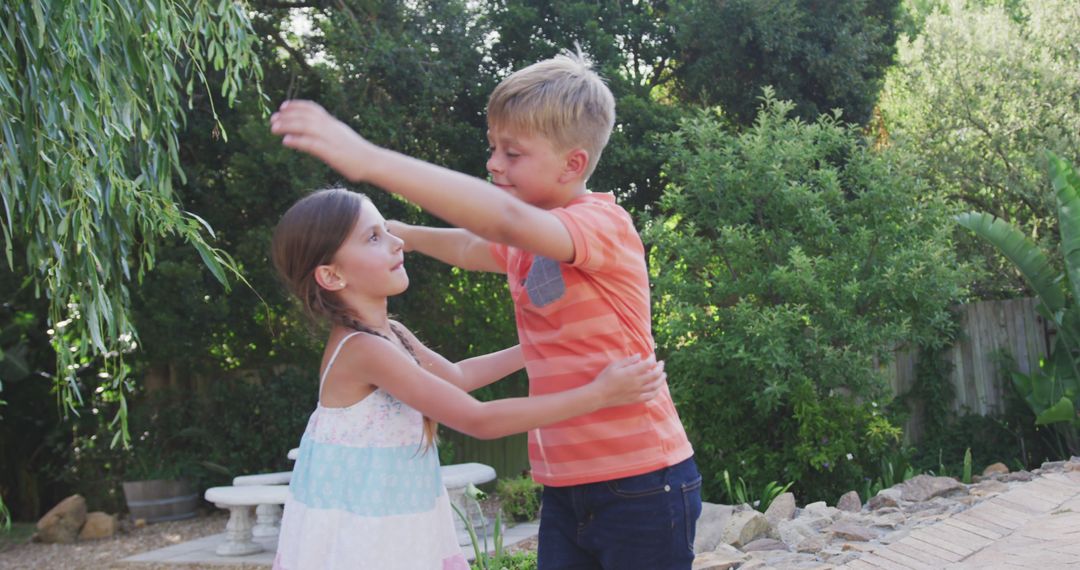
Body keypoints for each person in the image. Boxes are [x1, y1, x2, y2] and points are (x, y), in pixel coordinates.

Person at [270, 48, 701, 569]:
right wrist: (404, 235)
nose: (494, 162)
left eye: (512, 153)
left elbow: (500, 222)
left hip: (641, 475)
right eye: (492, 146)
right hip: (565, 483)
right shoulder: (519, 245)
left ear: (574, 164)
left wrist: (370, 162)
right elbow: (472, 247)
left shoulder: (599, 225)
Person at [269, 188, 667, 570]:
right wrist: (598, 394)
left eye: (389, 230)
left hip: (390, 523)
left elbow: (459, 377)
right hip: (359, 534)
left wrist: (546, 343)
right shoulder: (363, 350)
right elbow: (478, 419)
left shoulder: (391, 333)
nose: (397, 243)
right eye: (374, 237)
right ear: (332, 276)